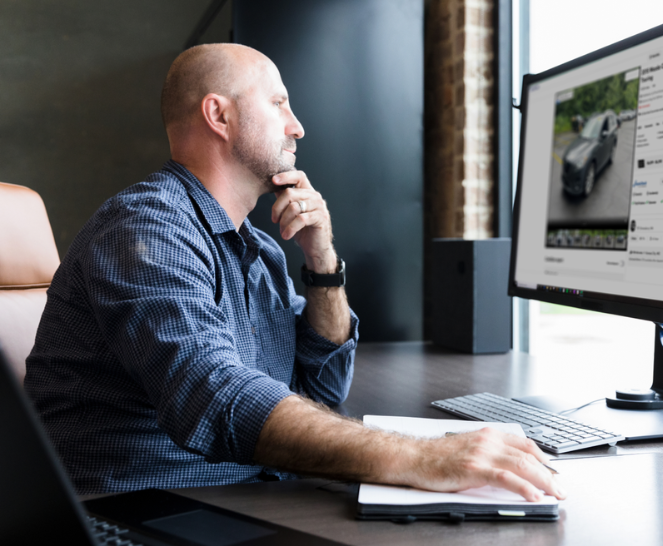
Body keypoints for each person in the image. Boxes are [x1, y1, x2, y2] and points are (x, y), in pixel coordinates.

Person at [25, 43, 565, 502]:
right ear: (220, 116)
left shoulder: (258, 250)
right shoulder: (144, 230)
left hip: (241, 498)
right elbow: (212, 397)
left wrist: (322, 262)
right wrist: (425, 458)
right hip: (144, 509)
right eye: (279, 102)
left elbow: (320, 390)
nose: (297, 125)